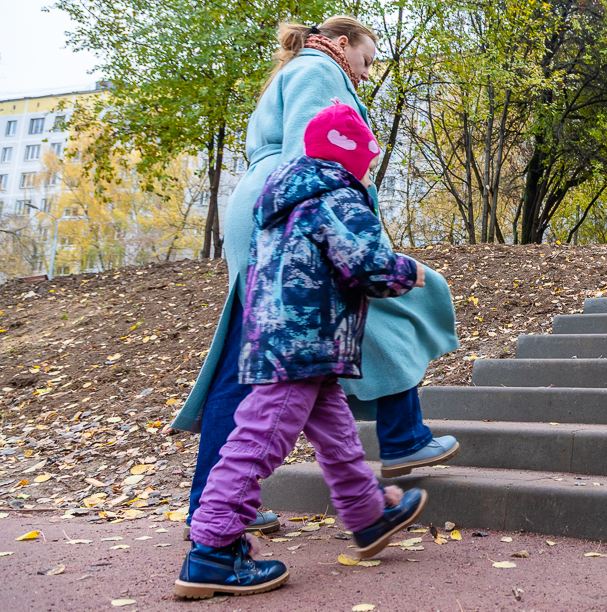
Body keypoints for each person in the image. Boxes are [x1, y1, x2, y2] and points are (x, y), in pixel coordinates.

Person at [170, 16, 460, 537]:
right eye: (367, 60)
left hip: (271, 208)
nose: (367, 73)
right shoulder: (320, 68)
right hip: (296, 212)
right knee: (290, 352)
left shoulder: (305, 69)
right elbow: (313, 149)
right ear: (343, 43)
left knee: (291, 364)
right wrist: (353, 224)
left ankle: (370, 499)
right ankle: (213, 526)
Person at [174, 102, 428, 599]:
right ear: (351, 154)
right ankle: (213, 550)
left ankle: (367, 515)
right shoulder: (337, 194)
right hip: (305, 342)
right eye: (369, 158)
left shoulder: (283, 200)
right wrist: (408, 271)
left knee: (337, 437)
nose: (369, 169)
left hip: (283, 337)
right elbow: (367, 266)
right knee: (259, 442)